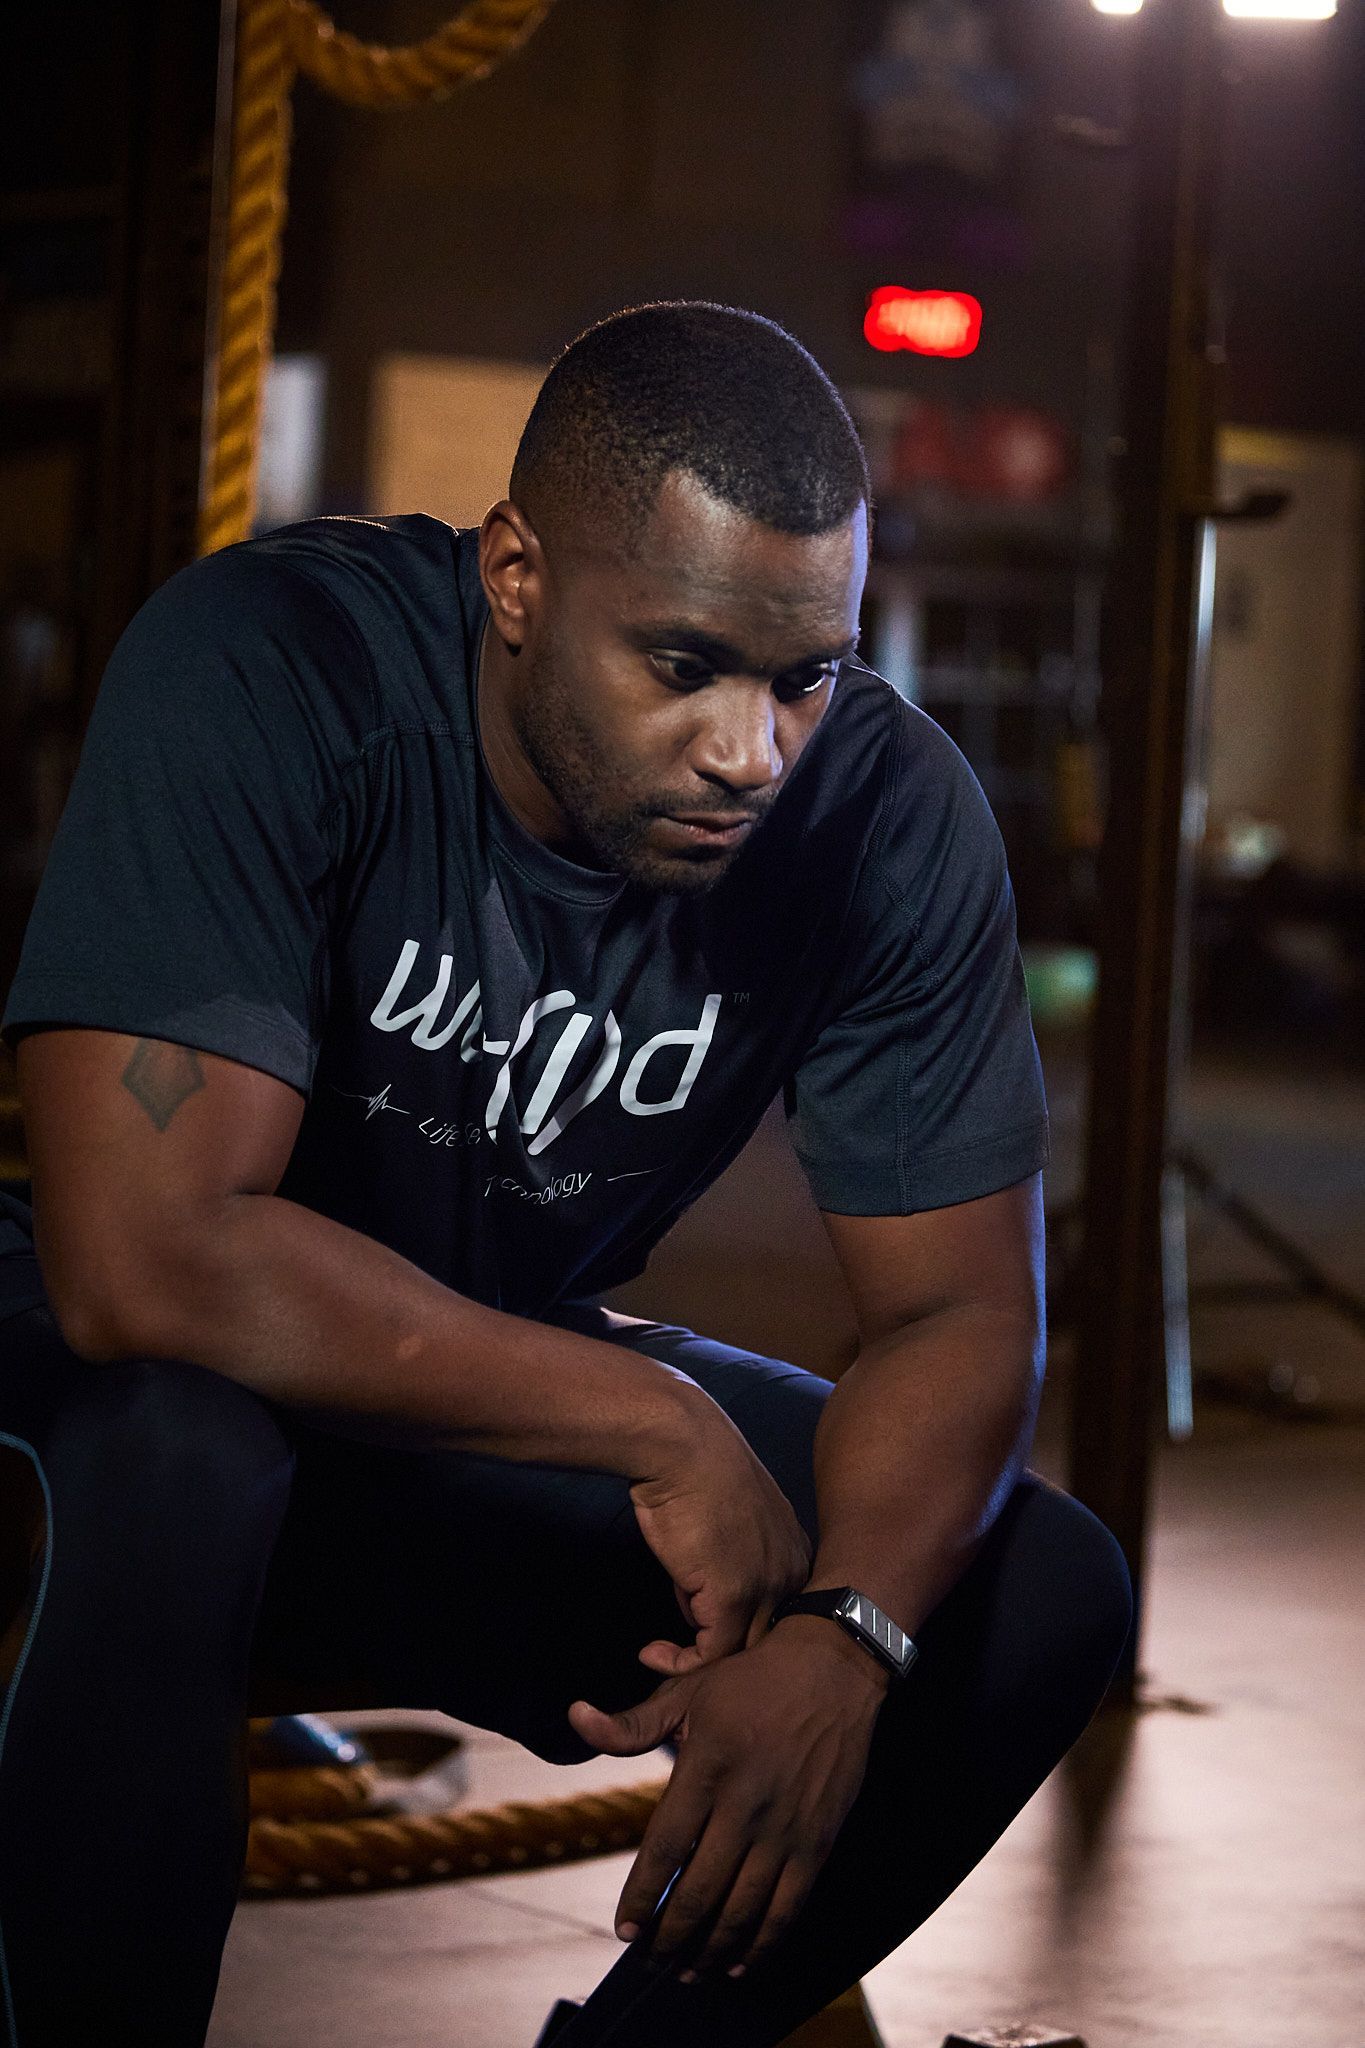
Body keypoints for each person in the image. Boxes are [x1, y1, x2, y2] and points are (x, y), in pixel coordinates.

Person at [0, 300, 1130, 2048]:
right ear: (516, 574)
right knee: (179, 1448)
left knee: (1034, 1591)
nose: (752, 753)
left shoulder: (885, 817)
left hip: (449, 1412)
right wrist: (647, 1420)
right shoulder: (276, 665)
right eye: (683, 666)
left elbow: (960, 1315)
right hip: (93, 1388)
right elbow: (147, 1259)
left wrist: (843, 1641)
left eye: (802, 678)